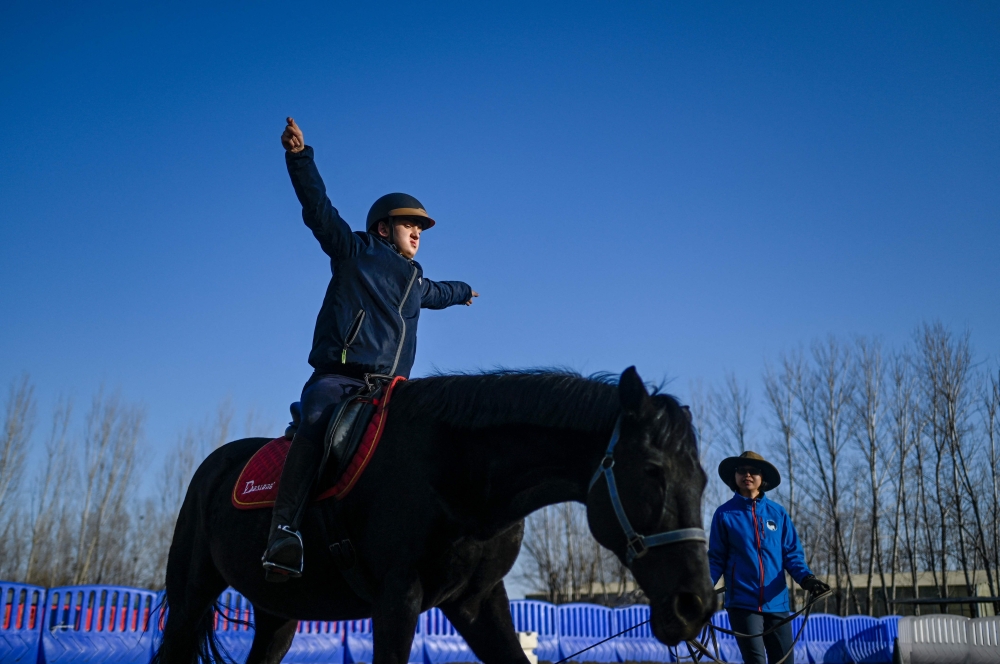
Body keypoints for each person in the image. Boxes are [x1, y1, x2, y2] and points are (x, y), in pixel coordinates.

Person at [262, 118, 478, 581]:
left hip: (392, 390)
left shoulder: (417, 281)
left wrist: (464, 291)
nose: (418, 231)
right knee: (316, 421)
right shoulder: (354, 250)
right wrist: (300, 158)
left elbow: (439, 292)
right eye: (409, 224)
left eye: (421, 227)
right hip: (339, 382)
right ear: (383, 229)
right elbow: (318, 210)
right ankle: (284, 531)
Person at [708, 451, 830, 664]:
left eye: (753, 471)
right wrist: (702, 590)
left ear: (762, 478)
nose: (747, 474)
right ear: (734, 476)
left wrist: (806, 579)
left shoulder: (778, 513)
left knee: (784, 661)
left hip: (777, 603)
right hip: (742, 604)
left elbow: (791, 555)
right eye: (741, 470)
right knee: (756, 661)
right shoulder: (724, 514)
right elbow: (716, 558)